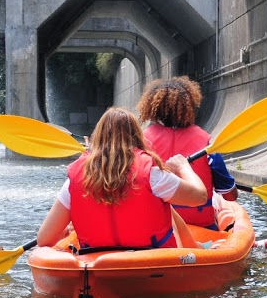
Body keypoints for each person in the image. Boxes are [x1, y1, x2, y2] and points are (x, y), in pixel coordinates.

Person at [37, 107, 208, 251]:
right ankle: (194, 247)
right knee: (165, 204)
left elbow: (45, 240)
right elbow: (200, 197)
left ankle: (194, 246)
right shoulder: (152, 174)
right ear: (136, 136)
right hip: (152, 262)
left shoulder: (74, 180)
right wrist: (183, 166)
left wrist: (65, 232)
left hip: (98, 265)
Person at [137, 76, 238, 230]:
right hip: (202, 227)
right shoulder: (207, 144)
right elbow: (230, 196)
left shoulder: (140, 143)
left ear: (152, 108)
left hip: (157, 231)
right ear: (189, 107)